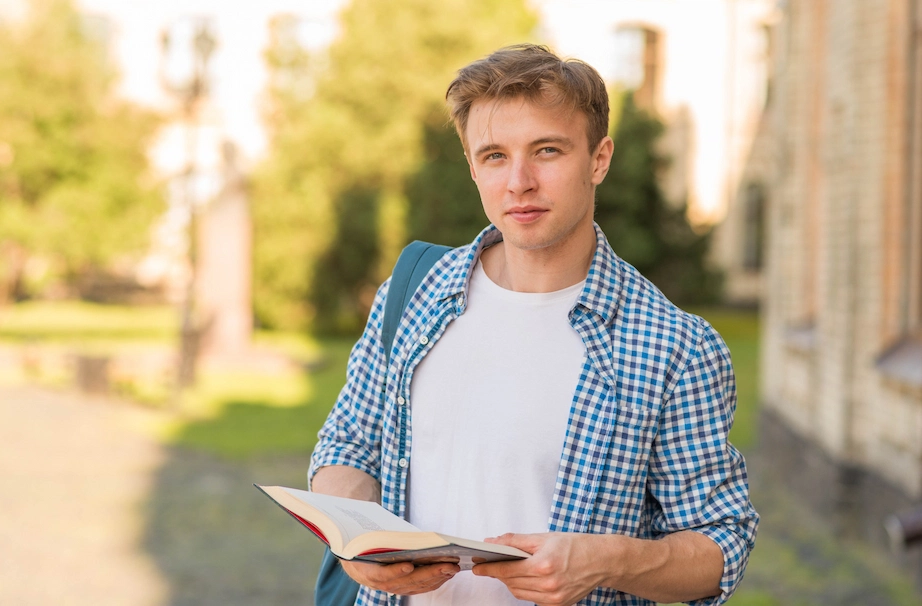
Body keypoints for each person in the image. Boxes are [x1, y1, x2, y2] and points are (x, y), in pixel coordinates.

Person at [309, 44, 758, 606]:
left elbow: (721, 545)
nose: (519, 181)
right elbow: (347, 446)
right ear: (472, 166)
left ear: (599, 159)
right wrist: (360, 544)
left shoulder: (675, 347)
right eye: (494, 156)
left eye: (547, 150)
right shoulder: (413, 292)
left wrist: (608, 560)